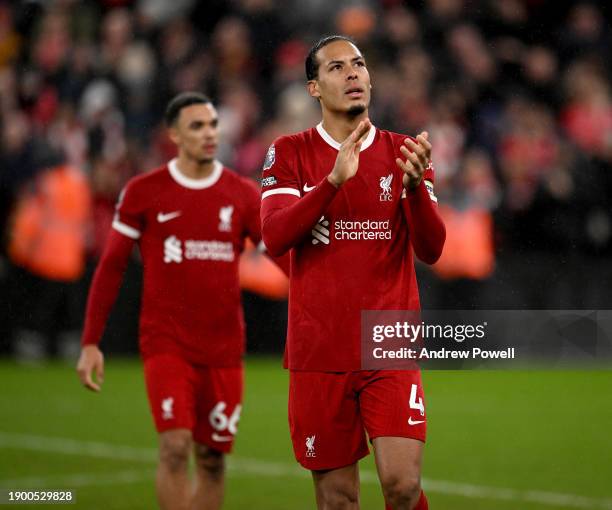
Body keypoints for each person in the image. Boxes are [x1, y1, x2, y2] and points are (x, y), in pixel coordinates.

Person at [260, 35, 446, 510]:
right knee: (338, 499)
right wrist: (332, 182)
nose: (352, 74)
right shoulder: (289, 152)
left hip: (387, 341)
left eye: (359, 64)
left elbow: (432, 249)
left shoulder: (405, 151)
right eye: (337, 67)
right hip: (319, 350)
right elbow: (275, 236)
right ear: (314, 88)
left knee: (402, 486)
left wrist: (415, 191)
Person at [77, 92, 284, 510]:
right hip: (166, 342)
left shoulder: (242, 194)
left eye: (212, 125)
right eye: (197, 126)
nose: (209, 134)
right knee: (174, 446)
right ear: (173, 135)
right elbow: (112, 266)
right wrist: (90, 342)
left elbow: (283, 257)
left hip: (224, 348)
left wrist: (329, 304)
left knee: (211, 460)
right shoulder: (144, 191)